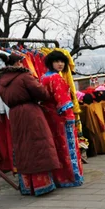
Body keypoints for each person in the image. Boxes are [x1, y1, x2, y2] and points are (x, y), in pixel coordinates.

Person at [0, 53, 60, 196]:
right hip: (31, 112)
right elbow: (42, 93)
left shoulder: (2, 81)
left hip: (14, 114)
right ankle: (41, 185)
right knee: (38, 144)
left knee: (22, 147)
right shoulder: (24, 76)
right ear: (19, 63)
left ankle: (27, 186)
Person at [40, 50, 83, 188]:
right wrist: (70, 117)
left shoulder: (43, 77)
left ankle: (58, 177)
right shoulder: (56, 78)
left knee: (56, 147)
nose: (60, 64)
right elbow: (63, 102)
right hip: (61, 117)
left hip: (49, 116)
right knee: (66, 148)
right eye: (57, 61)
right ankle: (70, 177)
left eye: (62, 61)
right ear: (51, 63)